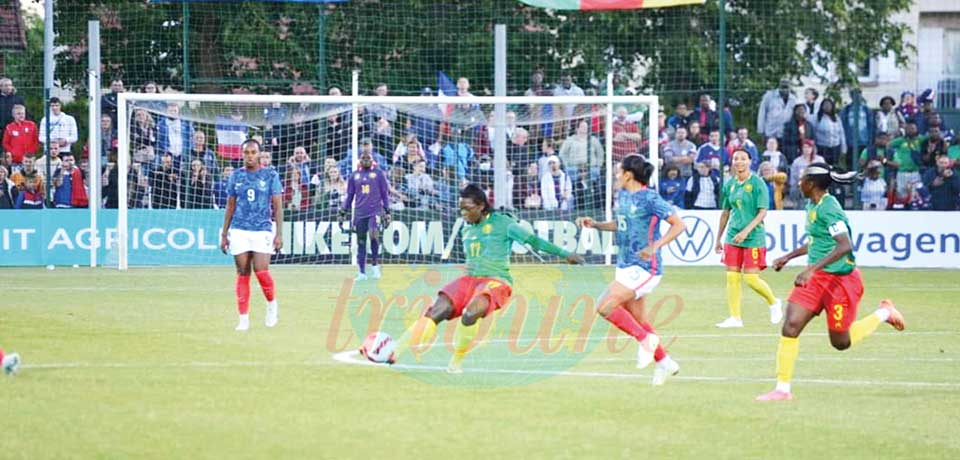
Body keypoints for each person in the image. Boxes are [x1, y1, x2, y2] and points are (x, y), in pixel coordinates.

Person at [392, 184, 584, 372]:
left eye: (467, 209)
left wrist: (565, 253)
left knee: (470, 313)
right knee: (437, 310)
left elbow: (533, 240)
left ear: (481, 206)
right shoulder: (466, 229)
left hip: (496, 281)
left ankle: (456, 361)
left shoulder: (504, 223)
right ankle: (393, 352)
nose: (463, 214)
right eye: (461, 210)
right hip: (469, 280)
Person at [756, 163, 905, 401]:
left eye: (802, 179)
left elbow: (844, 245)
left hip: (840, 281)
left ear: (812, 184)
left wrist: (810, 269)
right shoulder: (811, 204)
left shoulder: (830, 208)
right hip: (817, 280)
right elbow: (817, 241)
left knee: (841, 342)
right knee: (790, 326)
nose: (798, 182)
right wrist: (788, 256)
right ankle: (782, 389)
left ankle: (884, 313)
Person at [576, 155, 686, 385]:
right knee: (638, 318)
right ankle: (665, 363)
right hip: (625, 265)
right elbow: (621, 224)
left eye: (618, 171)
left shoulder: (650, 198)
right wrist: (595, 224)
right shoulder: (624, 195)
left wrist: (654, 246)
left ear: (628, 174)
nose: (616, 175)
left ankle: (645, 340)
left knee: (604, 307)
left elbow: (679, 225)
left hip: (645, 267)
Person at [219, 139, 283, 332]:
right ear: (242, 154)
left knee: (261, 271)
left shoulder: (270, 175)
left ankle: (272, 305)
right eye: (246, 152)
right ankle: (243, 319)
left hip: (262, 228)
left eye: (253, 152)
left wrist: (278, 233)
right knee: (243, 272)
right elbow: (230, 205)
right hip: (239, 229)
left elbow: (278, 206)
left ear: (260, 154)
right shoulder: (236, 176)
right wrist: (224, 233)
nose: (249, 156)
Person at [714, 150, 782, 328]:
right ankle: (735, 318)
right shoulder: (729, 185)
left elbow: (763, 212)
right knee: (732, 277)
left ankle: (774, 303)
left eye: (743, 158)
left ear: (750, 161)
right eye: (736, 158)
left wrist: (746, 231)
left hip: (753, 237)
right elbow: (725, 212)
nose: (739, 162)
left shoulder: (758, 183)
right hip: (732, 236)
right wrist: (718, 238)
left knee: (751, 279)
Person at [340, 150, 390, 281]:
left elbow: (385, 194)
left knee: (373, 235)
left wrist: (387, 211)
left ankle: (375, 266)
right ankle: (362, 272)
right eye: (364, 158)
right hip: (359, 213)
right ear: (360, 160)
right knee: (360, 241)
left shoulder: (379, 174)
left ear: (372, 160)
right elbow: (350, 195)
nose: (366, 160)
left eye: (369, 158)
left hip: (375, 211)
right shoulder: (354, 176)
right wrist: (343, 211)